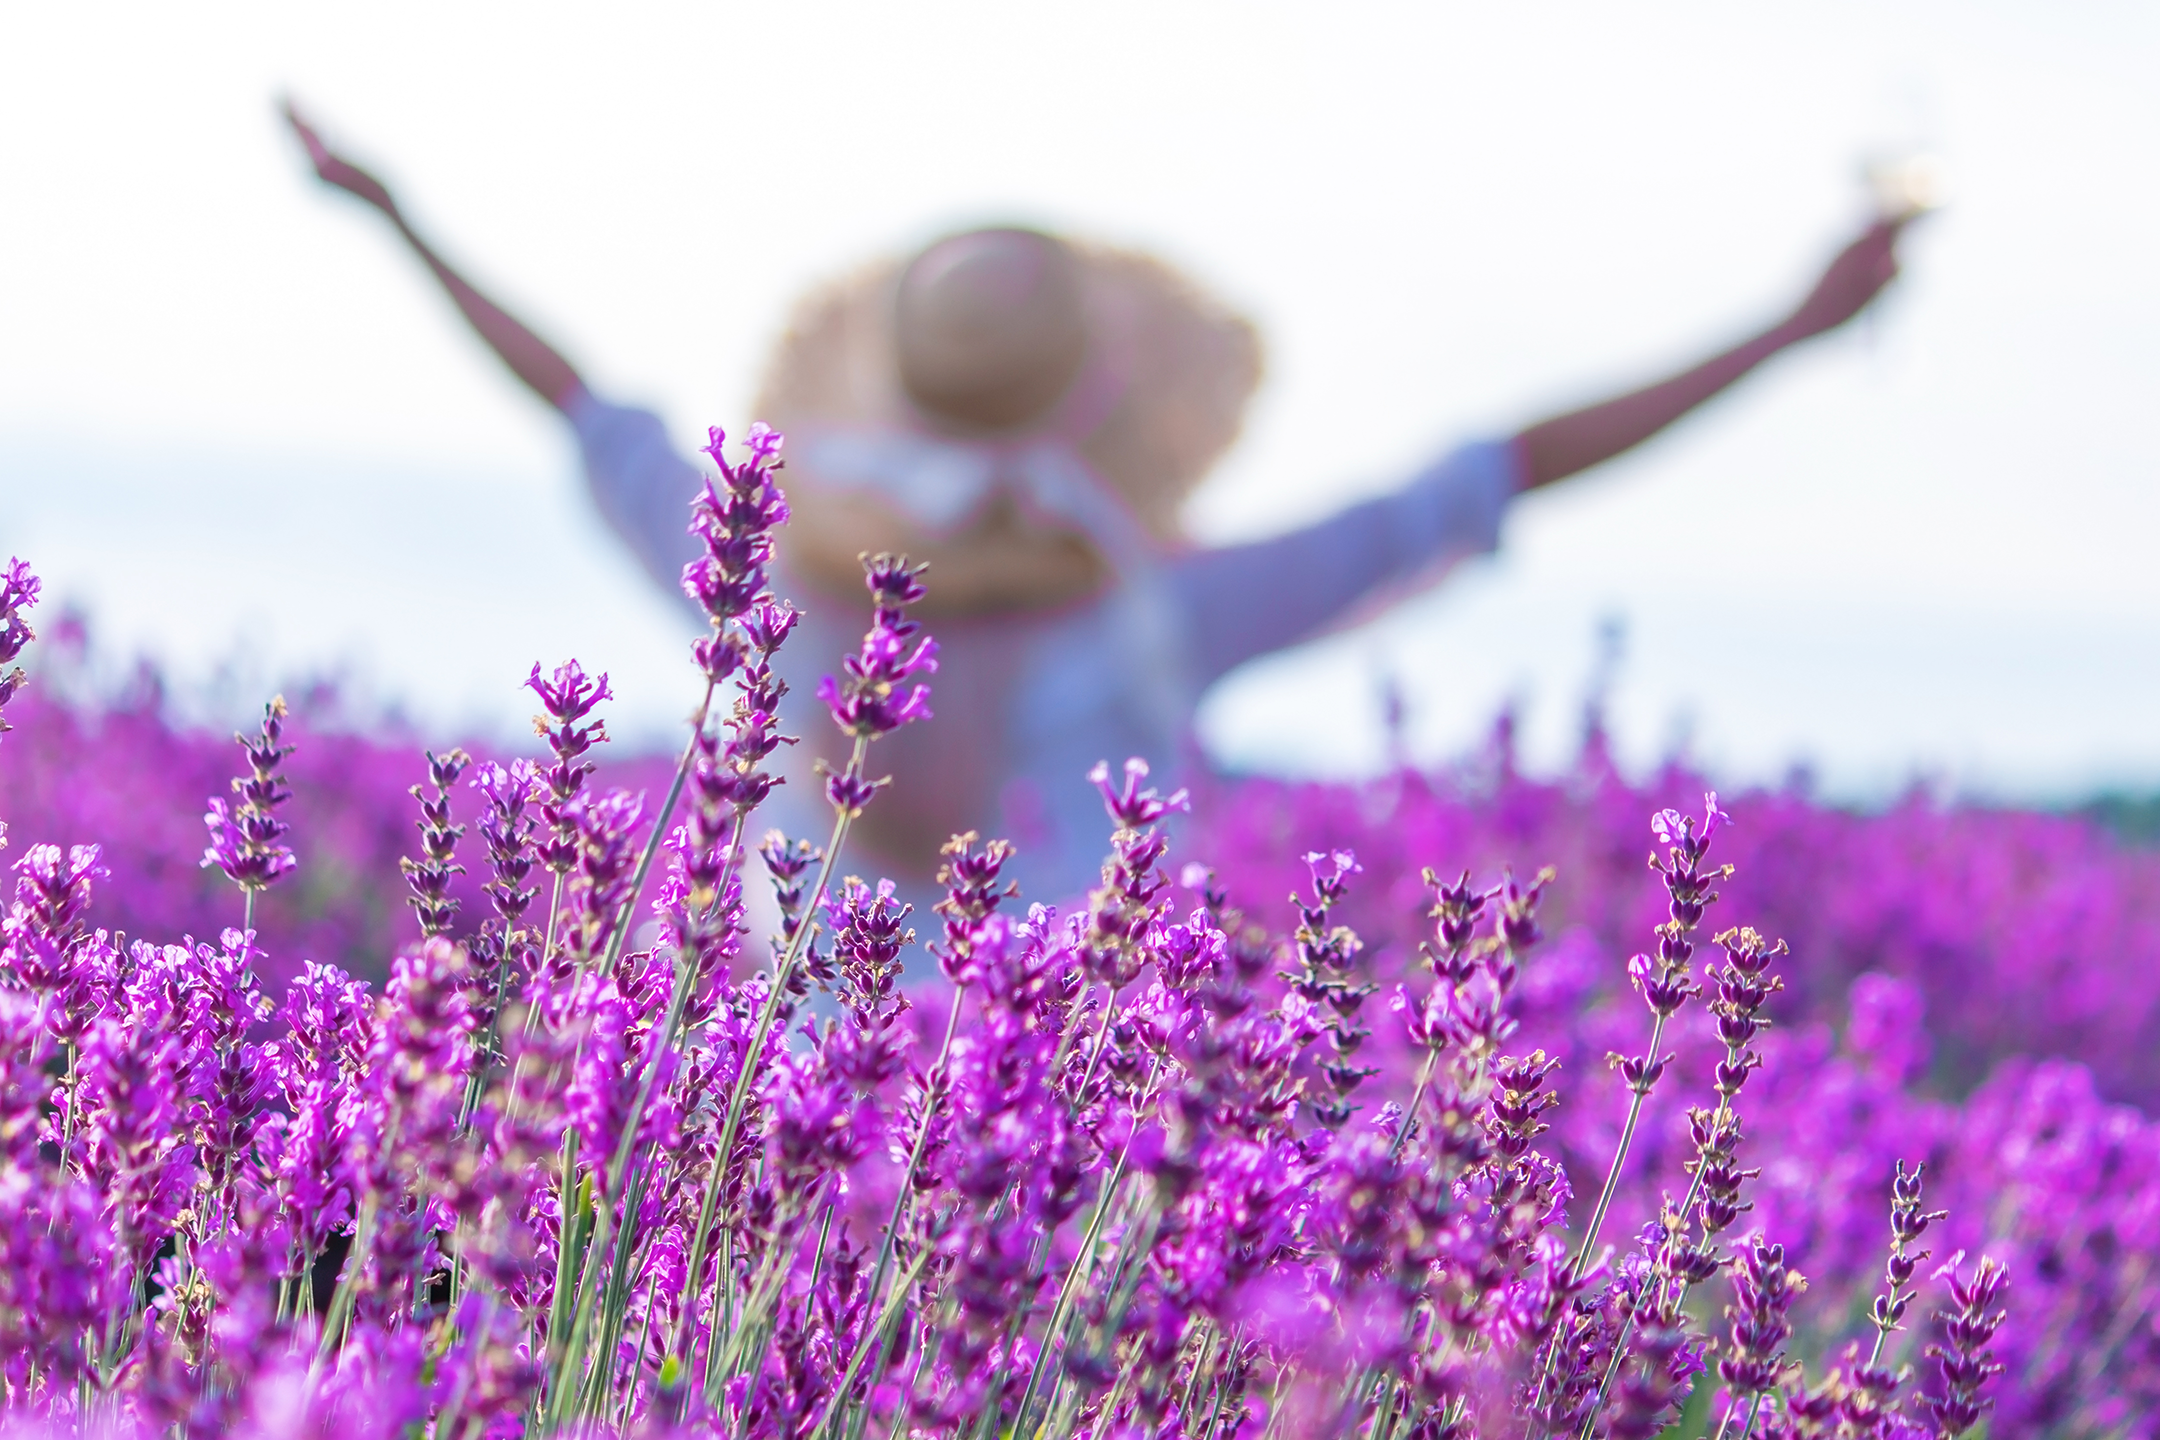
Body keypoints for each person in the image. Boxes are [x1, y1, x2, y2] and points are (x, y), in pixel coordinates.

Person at [286, 105, 1911, 901]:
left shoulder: (758, 575)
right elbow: (1491, 475)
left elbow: (575, 398)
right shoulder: (1160, 610)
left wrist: (396, 217)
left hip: (738, 1132)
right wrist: (1788, 327)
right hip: (1061, 1146)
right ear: (1115, 407)